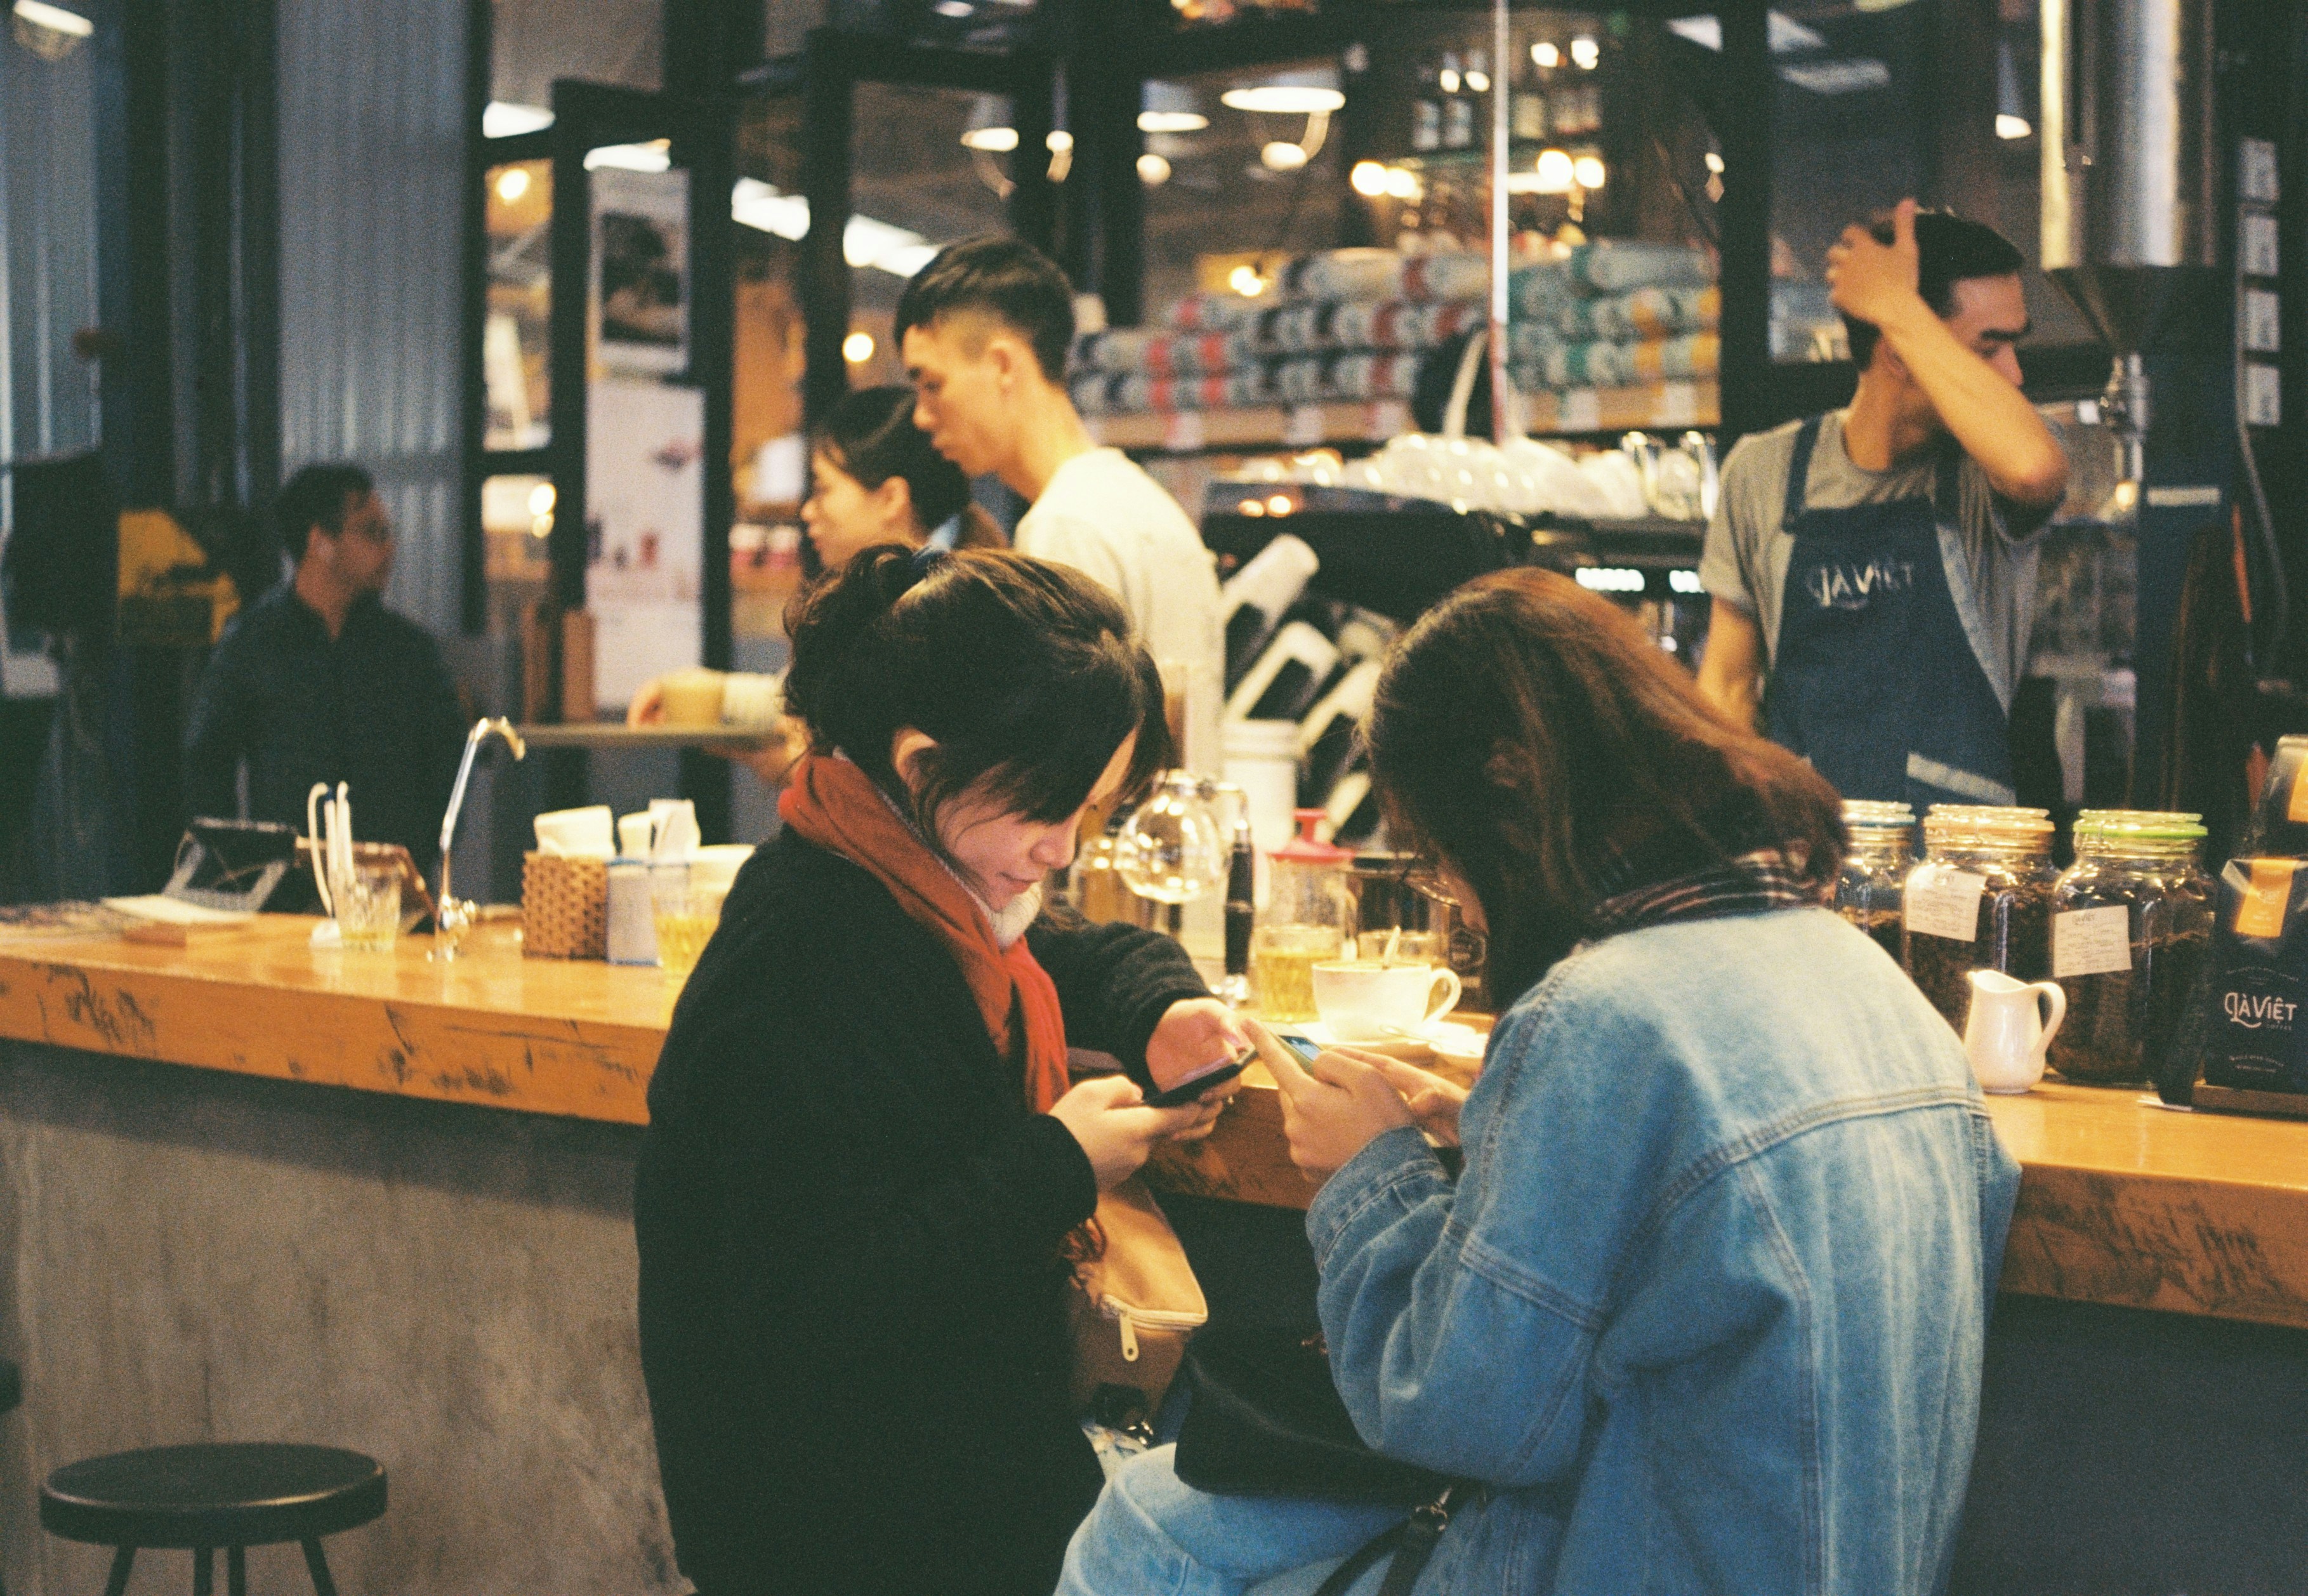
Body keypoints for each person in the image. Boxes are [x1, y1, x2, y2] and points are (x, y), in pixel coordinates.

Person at [1060, 568, 2021, 1596]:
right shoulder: (1876, 987)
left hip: (1626, 1551)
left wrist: (1371, 1172)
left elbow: (1458, 1414)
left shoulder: (1599, 1017)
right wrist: (1503, 1130)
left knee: (1139, 1532)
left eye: (1438, 850)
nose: (1459, 903)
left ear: (1508, 795)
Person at [635, 546, 1251, 1596]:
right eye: (1044, 809)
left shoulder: (912, 882)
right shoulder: (806, 955)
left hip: (924, 1493)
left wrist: (1162, 1009)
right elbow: (817, 1302)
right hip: (827, 1525)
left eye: (1086, 814)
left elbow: (1059, 947)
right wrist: (1060, 1160)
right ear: (922, 765)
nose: (1060, 849)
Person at [1696, 200, 2070, 810]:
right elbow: (1728, 687)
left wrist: (1896, 305)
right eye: (1989, 347)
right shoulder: (1763, 474)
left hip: (1960, 869)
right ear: (1901, 350)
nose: (2015, 374)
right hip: (1808, 853)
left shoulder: (1988, 473)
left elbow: (2034, 468)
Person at [896, 236, 1227, 775]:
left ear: (1003, 364)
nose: (922, 416)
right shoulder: (1134, 497)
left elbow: (1064, 769)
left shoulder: (1063, 526)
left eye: (933, 385)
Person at [626, 386, 1002, 784]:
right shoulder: (898, 596)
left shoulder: (939, 617)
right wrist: (712, 696)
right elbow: (800, 703)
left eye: (823, 490)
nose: (808, 511)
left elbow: (892, 790)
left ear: (892, 498)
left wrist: (796, 766)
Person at [184, 464, 465, 872]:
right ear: (320, 541)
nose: (389, 548)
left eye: (388, 533)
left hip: (388, 888)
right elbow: (207, 756)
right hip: (290, 883)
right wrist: (235, 864)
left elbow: (450, 760)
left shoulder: (409, 650)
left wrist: (422, 851)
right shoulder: (255, 641)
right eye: (372, 532)